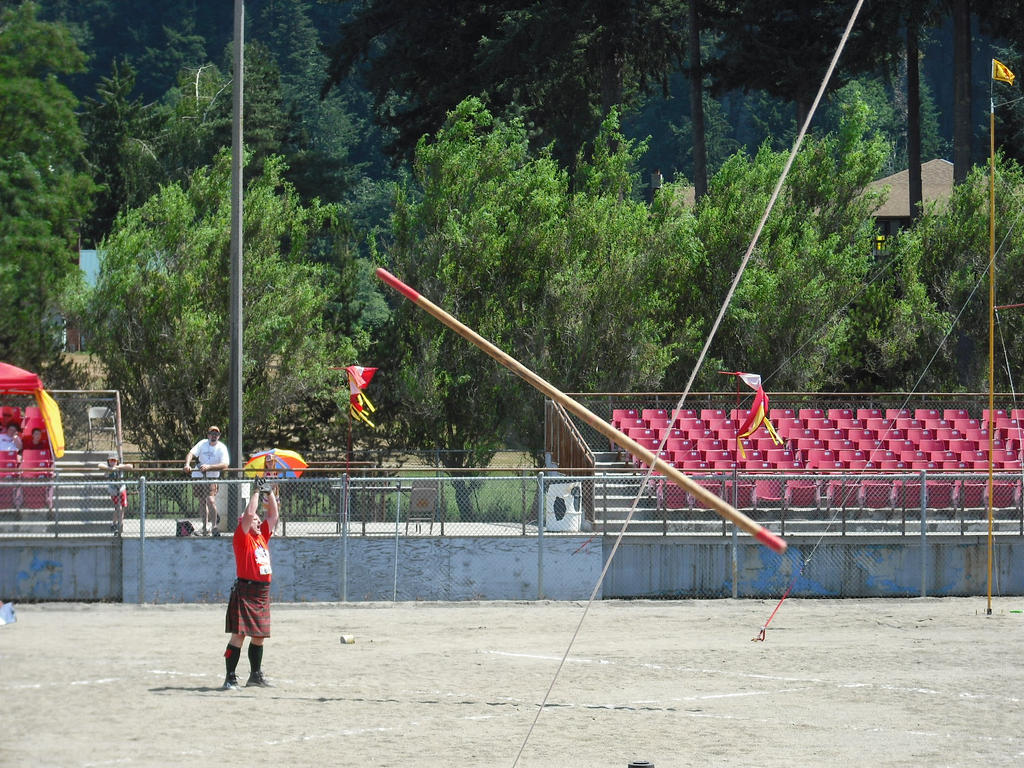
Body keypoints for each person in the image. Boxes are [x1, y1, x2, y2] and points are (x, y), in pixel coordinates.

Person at [222, 478, 279, 690]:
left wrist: (269, 491)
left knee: (259, 636)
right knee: (239, 635)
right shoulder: (242, 538)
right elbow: (248, 514)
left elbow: (273, 515)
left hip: (261, 592)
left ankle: (255, 675)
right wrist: (255, 491)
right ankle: (230, 677)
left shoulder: (262, 536)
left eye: (257, 520)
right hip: (246, 590)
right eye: (255, 519)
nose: (258, 521)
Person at [183, 426, 230, 536]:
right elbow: (191, 454)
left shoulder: (222, 448)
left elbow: (225, 464)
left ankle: (214, 527)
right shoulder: (202, 443)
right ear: (208, 435)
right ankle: (204, 527)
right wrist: (187, 464)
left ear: (219, 436)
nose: (214, 436)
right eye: (212, 433)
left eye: (216, 434)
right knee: (202, 501)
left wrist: (209, 467)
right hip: (198, 476)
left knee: (210, 500)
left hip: (211, 477)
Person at [98, 454, 133, 535]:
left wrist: (118, 467)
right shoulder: (108, 468)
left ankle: (118, 524)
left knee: (122, 507)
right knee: (118, 507)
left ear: (117, 461)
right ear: (108, 461)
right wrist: (109, 468)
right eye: (111, 460)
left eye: (114, 460)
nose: (113, 462)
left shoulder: (119, 466)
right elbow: (99, 465)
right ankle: (116, 524)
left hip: (121, 489)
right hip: (114, 491)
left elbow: (131, 466)